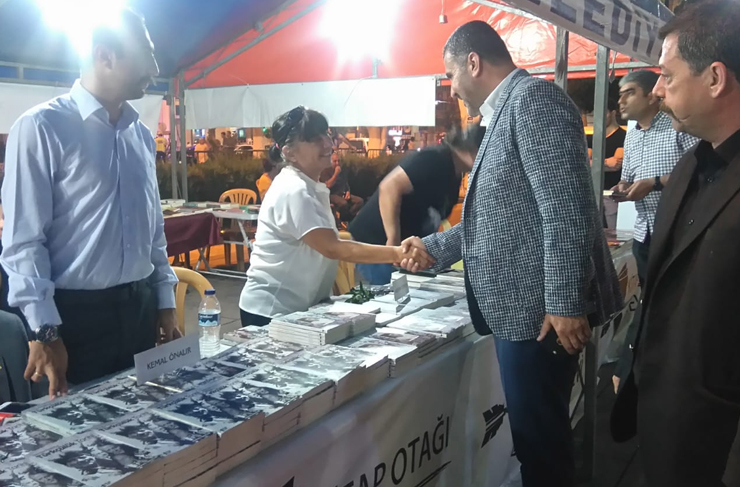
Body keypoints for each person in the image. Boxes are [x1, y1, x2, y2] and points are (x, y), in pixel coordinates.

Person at [398, 21, 622, 487]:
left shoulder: (533, 101)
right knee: (536, 443)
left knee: (542, 450)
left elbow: (565, 208)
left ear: (473, 62)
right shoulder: (508, 110)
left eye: (451, 74)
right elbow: (497, 217)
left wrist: (564, 303)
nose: (451, 87)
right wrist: (433, 249)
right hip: (524, 313)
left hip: (539, 317)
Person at [0, 8, 179, 398]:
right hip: (74, 318)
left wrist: (164, 302)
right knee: (78, 427)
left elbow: (153, 232)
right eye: (146, 53)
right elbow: (24, 242)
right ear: (105, 56)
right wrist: (44, 330)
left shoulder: (140, 136)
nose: (155, 68)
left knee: (146, 417)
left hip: (139, 309)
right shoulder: (42, 127)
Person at [611, 1, 740, 485]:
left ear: (715, 78)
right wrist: (633, 356)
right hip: (664, 420)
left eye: (667, 76)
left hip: (715, 437)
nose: (658, 89)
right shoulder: (690, 165)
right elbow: (663, 279)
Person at [238, 106, 432, 327]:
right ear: (289, 152)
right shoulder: (294, 190)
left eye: (326, 134)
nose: (327, 143)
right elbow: (333, 248)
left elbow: (332, 243)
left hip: (294, 308)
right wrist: (396, 252)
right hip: (271, 310)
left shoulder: (307, 185)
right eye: (314, 139)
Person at [349, 123, 485, 285]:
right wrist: (392, 239)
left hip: (405, 253)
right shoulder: (435, 158)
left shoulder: (454, 172)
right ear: (475, 150)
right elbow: (390, 187)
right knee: (386, 295)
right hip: (378, 244)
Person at [611, 70, 698, 286]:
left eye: (629, 93)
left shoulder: (678, 126)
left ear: (651, 96)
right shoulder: (632, 135)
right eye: (620, 95)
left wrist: (654, 183)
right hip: (643, 233)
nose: (621, 101)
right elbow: (627, 177)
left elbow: (701, 170)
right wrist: (623, 187)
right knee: (648, 294)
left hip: (678, 231)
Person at [588, 98, 626, 230]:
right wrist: (606, 162)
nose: (597, 117)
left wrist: (594, 163)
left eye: (602, 112)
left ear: (613, 113)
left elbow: (616, 165)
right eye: (594, 114)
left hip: (612, 194)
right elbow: (584, 163)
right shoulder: (591, 138)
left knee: (613, 231)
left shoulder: (623, 136)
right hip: (594, 194)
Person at [320, 152, 364, 222]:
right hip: (331, 194)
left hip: (341, 193)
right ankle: (343, 220)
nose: (337, 163)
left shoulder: (342, 170)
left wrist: (348, 191)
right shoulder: (325, 171)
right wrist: (335, 174)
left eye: (338, 161)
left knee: (359, 201)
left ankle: (347, 218)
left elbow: (345, 183)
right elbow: (328, 185)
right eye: (335, 161)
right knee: (343, 203)